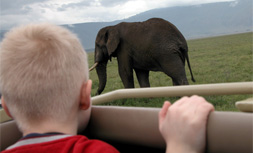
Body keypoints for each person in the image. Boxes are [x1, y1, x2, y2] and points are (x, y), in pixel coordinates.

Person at [0, 23, 214, 153]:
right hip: (160, 41)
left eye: (100, 49)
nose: (100, 53)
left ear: (6, 107)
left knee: (177, 78)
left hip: (159, 42)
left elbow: (127, 75)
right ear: (85, 97)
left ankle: (177, 90)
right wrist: (182, 147)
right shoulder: (98, 151)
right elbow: (129, 75)